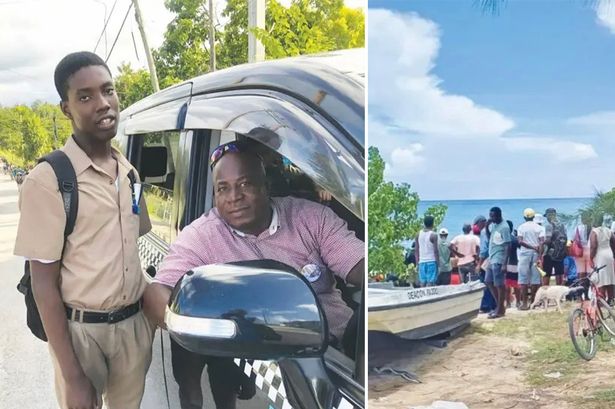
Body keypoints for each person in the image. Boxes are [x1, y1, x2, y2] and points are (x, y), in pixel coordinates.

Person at [142, 141, 364, 409]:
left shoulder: (312, 218)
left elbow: (360, 265)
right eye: (223, 188)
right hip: (262, 355)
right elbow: (156, 294)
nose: (234, 196)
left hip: (341, 353)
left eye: (245, 184)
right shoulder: (202, 236)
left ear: (266, 187)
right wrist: (200, 326)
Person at [13, 52, 153, 409]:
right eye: (86, 96)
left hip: (132, 329)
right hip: (81, 334)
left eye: (108, 90)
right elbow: (43, 284)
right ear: (66, 108)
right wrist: (73, 375)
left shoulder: (129, 173)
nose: (103, 104)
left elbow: (134, 248)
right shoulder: (49, 180)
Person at [484, 207, 511, 319]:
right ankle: (499, 307)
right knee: (488, 281)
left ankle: (500, 310)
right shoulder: (494, 225)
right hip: (492, 257)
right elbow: (491, 238)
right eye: (490, 216)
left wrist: (505, 263)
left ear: (499, 215)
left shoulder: (504, 227)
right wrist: (486, 227)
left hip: (499, 258)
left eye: (493, 216)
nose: (491, 218)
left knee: (499, 285)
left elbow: (508, 245)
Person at [516, 208, 545, 310]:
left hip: (524, 254)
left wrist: (531, 247)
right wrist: (540, 255)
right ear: (533, 217)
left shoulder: (521, 227)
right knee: (535, 279)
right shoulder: (539, 228)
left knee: (523, 279)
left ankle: (524, 303)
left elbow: (520, 241)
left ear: (524, 217)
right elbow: (542, 242)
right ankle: (533, 301)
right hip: (536, 254)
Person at [589, 214, 615, 303]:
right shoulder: (608, 230)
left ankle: (602, 298)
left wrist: (591, 258)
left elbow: (593, 246)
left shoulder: (594, 231)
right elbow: (613, 242)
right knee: (610, 277)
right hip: (609, 254)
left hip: (600, 254)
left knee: (601, 277)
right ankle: (611, 299)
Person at [475, 215, 497, 313]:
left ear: (481, 223)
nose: (477, 227)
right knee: (493, 282)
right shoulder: (493, 229)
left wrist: (479, 264)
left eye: (477, 225)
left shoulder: (484, 232)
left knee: (485, 283)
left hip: (487, 260)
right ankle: (494, 304)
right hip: (495, 258)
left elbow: (484, 250)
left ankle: (485, 306)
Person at [542, 208, 568, 286]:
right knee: (559, 274)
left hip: (550, 253)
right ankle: (559, 293)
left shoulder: (549, 226)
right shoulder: (562, 225)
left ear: (549, 215)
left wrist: (541, 243)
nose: (546, 218)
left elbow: (548, 240)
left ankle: (545, 293)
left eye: (546, 216)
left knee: (546, 274)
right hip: (560, 253)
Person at [415, 215, 439, 287]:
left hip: (422, 262)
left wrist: (417, 263)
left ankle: (423, 297)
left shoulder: (418, 234)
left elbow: (416, 250)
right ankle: (430, 296)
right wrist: (438, 263)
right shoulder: (433, 235)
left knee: (422, 282)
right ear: (433, 223)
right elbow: (435, 251)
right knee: (430, 282)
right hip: (431, 261)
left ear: (424, 223)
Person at [505, 221, 520, 308]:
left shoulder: (503, 239)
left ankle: (508, 303)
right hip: (514, 263)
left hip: (505, 263)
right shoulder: (514, 239)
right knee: (515, 284)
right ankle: (518, 302)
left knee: (506, 284)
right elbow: (521, 248)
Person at [573, 213, 592, 282]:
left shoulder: (578, 228)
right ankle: (589, 289)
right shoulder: (593, 228)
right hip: (590, 251)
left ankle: (581, 289)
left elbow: (573, 239)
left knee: (581, 272)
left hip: (580, 251)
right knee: (590, 272)